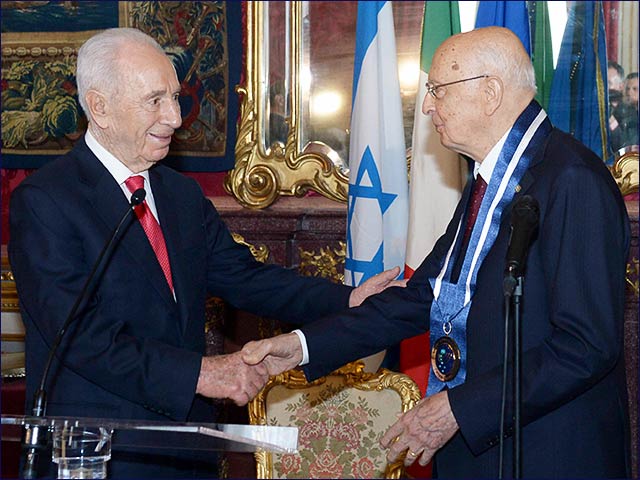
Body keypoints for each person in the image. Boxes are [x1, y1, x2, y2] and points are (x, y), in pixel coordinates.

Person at [8, 28, 402, 478]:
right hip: (95, 451)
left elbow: (245, 277)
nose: (175, 118)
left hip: (185, 448)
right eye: (155, 100)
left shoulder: (178, 194)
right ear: (99, 107)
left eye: (175, 98)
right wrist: (202, 374)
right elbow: (79, 338)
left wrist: (346, 299)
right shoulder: (46, 201)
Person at [243, 26, 631, 478]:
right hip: (479, 450)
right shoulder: (486, 183)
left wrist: (459, 408)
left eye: (438, 91)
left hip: (548, 454)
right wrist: (303, 346)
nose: (428, 107)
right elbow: (424, 295)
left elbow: (586, 345)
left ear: (490, 92)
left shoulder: (572, 180)